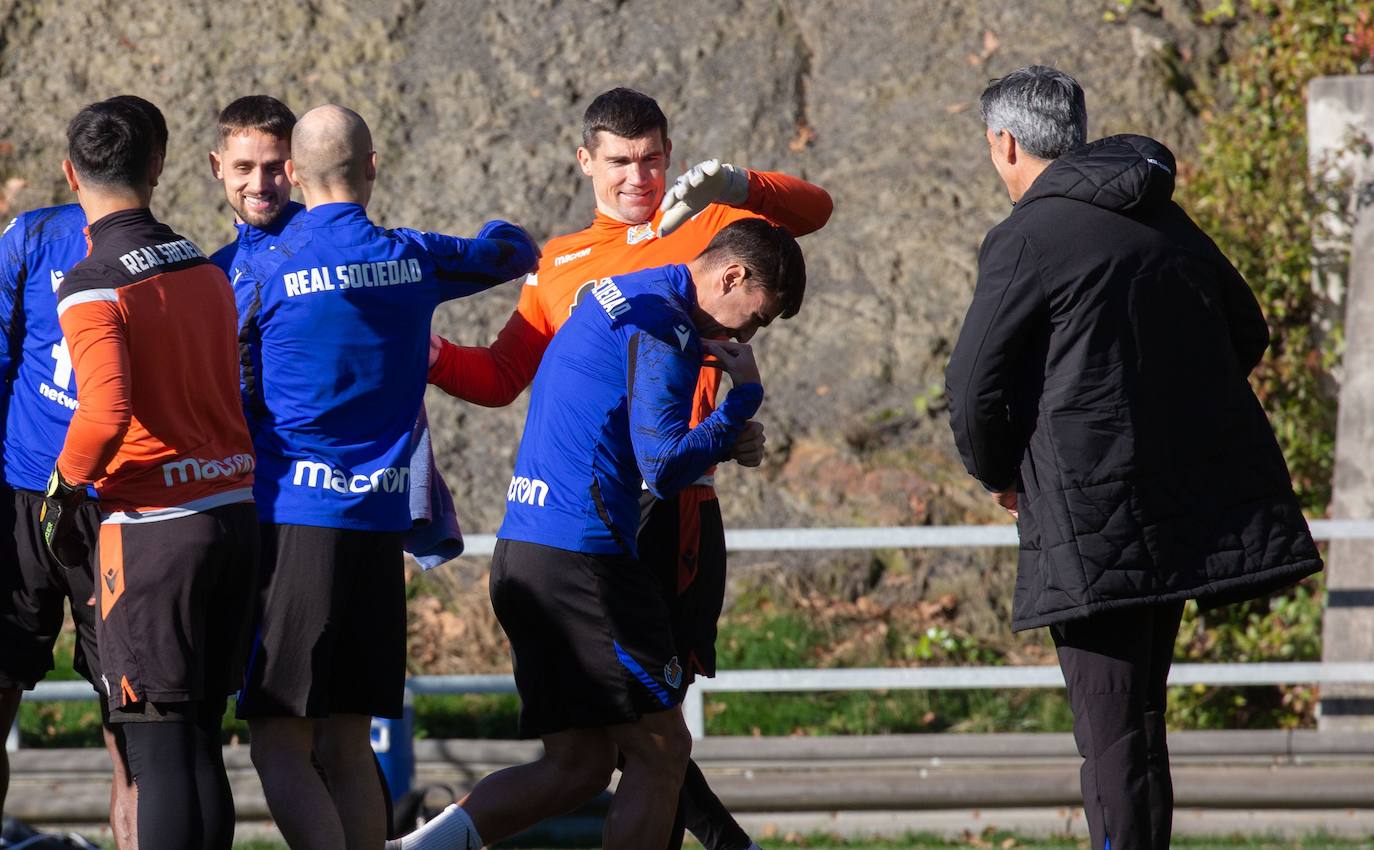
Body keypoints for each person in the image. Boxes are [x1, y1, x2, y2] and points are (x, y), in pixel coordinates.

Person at [423, 86, 831, 850]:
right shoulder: (560, 261)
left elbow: (814, 212)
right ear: (586, 162)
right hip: (596, 510)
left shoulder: (708, 234)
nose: (638, 179)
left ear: (670, 158)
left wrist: (734, 186)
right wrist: (431, 356)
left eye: (652, 160)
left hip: (676, 503)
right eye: (619, 162)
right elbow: (503, 376)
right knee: (641, 734)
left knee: (651, 726)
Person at [944, 65, 1323, 850]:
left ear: (1004, 142)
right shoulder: (1164, 217)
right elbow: (1244, 330)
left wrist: (1002, 472)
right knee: (1141, 722)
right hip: (1171, 503)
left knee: (1110, 733)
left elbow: (974, 387)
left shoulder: (1027, 235)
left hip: (1088, 512)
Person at [233, 104, 537, 850]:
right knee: (346, 744)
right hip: (377, 530)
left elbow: (220, 377)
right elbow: (511, 250)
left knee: (279, 740)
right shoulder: (413, 256)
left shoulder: (259, 267)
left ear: (294, 177)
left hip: (294, 524)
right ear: (373, 167)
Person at [42, 96, 260, 850]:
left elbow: (105, 412)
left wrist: (61, 489)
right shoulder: (203, 265)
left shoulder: (91, 282)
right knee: (201, 743)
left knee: (159, 752)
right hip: (233, 514)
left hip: (154, 536)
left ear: (71, 174)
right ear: (159, 166)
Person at [0, 95, 173, 850]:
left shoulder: (161, 258)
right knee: (128, 736)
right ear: (159, 168)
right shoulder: (33, 239)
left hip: (103, 507)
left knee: (127, 726)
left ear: (70, 171)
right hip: (48, 501)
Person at [207, 95, 303, 280]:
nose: (258, 185)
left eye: (273, 168)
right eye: (244, 168)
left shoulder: (321, 244)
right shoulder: (219, 269)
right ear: (217, 166)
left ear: (295, 167)